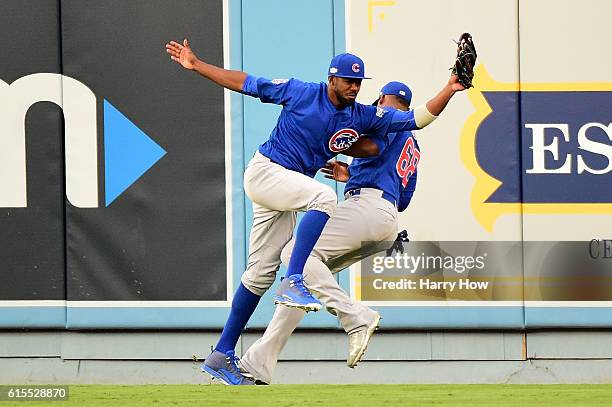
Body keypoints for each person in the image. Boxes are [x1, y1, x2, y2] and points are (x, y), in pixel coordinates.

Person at [165, 38, 463, 385]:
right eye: (348, 81)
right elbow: (245, 82)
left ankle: (222, 353)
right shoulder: (303, 92)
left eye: (359, 82)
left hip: (287, 189)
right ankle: (294, 282)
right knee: (323, 197)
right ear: (331, 79)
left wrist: (451, 87)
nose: (354, 87)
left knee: (260, 274)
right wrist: (197, 65)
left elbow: (418, 118)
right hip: (266, 172)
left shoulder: (361, 114)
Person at [238, 82, 425, 384]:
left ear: (383, 99)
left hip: (366, 207)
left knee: (292, 256)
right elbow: (403, 199)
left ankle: (355, 316)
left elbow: (367, 143)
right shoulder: (413, 145)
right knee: (304, 276)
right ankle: (259, 362)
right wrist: (353, 174)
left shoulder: (385, 120)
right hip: (385, 219)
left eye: (379, 98)